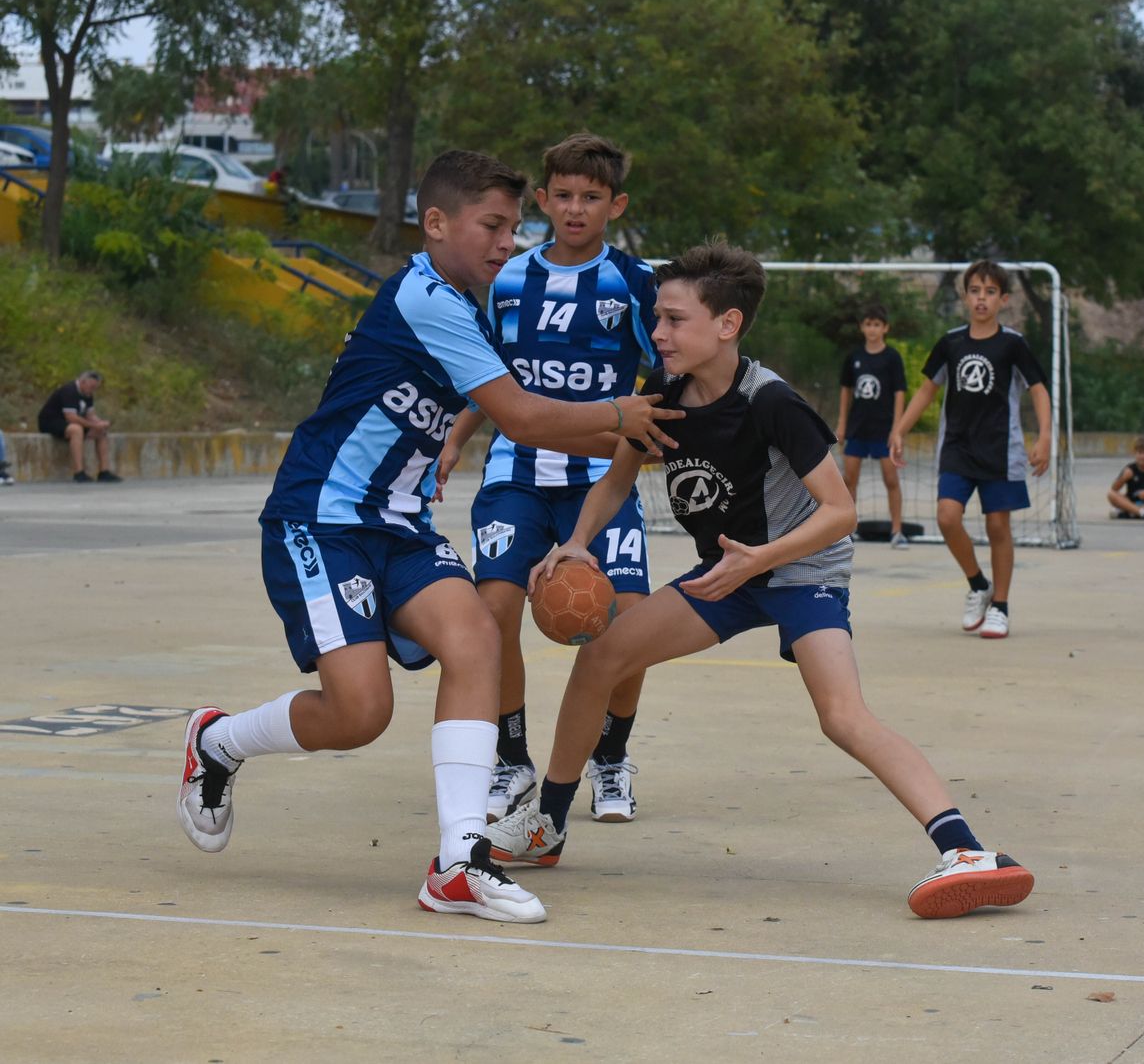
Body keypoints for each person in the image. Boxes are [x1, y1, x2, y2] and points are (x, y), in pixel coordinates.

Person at [173, 149, 681, 925]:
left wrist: (656, 440)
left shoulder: (473, 306)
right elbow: (523, 417)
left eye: (514, 227)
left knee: (477, 636)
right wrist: (623, 416)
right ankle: (219, 742)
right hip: (324, 517)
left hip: (401, 525)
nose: (507, 242)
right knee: (360, 714)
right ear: (436, 223)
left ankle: (459, 864)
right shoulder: (426, 297)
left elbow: (540, 423)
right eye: (492, 225)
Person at [484, 241, 1035, 920]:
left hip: (801, 568)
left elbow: (840, 513)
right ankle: (548, 826)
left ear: (728, 325)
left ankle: (969, 850)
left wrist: (761, 560)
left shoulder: (771, 402)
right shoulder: (659, 397)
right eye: (658, 317)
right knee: (602, 657)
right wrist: (573, 544)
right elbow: (618, 478)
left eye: (675, 320)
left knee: (842, 715)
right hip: (729, 571)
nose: (658, 331)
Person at [435, 133, 658, 826]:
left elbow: (668, 371)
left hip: (600, 472)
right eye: (562, 195)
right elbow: (489, 379)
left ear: (615, 205)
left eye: (591, 197)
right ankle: (511, 760)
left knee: (630, 620)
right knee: (494, 610)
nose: (575, 208)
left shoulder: (636, 283)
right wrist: (454, 440)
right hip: (517, 472)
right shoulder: (507, 280)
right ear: (542, 201)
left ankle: (612, 758)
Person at [889, 261, 1051, 638]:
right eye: (975, 291)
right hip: (957, 447)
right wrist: (900, 429)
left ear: (1004, 299)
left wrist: (1044, 437)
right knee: (947, 516)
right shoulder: (951, 342)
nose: (982, 298)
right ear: (965, 296)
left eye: (990, 292)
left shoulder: (1013, 344)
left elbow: (1039, 389)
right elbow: (928, 389)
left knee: (998, 526)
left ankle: (1001, 606)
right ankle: (979, 584)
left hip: (1000, 449)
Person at [835, 304, 909, 548]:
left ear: (885, 328)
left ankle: (897, 531)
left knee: (891, 479)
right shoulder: (854, 357)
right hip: (858, 427)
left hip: (883, 429)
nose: (872, 329)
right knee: (848, 480)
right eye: (868, 324)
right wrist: (842, 423)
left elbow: (900, 393)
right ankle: (847, 531)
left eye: (877, 324)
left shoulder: (892, 358)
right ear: (862, 327)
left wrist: (897, 429)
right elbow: (846, 391)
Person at [38, 370, 120, 482]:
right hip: (51, 421)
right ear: (83, 382)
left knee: (101, 432)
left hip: (68, 422)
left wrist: (100, 423)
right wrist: (93, 425)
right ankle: (79, 472)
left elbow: (90, 415)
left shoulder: (88, 394)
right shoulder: (69, 391)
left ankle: (104, 472)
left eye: (95, 387)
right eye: (91, 387)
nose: (93, 390)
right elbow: (71, 417)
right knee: (76, 430)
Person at [1107, 436, 1144, 518]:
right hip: (1131, 502)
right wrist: (1123, 479)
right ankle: (1141, 512)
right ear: (1134, 453)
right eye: (1140, 453)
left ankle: (1133, 512)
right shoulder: (1130, 468)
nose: (1142, 456)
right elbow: (1114, 488)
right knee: (1111, 494)